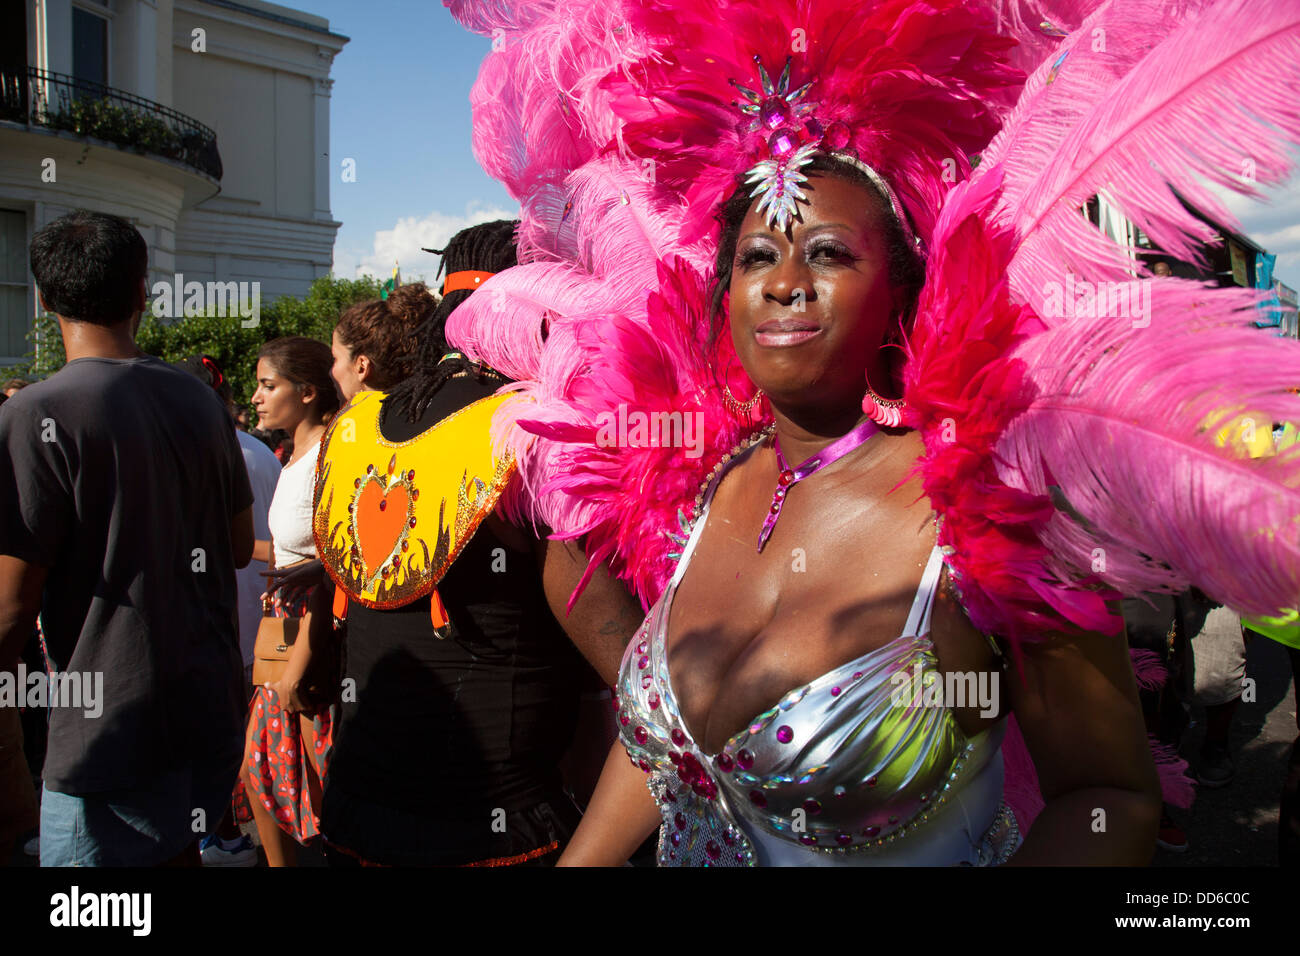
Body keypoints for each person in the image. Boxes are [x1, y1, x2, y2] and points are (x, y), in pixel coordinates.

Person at [444, 0, 1300, 865]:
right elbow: (673, 751)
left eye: (827, 253)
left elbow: (1108, 795)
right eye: (753, 257)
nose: (784, 283)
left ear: (900, 290)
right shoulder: (704, 491)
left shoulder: (988, 516)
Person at [268, 221, 642, 866]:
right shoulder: (531, 433)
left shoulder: (355, 428)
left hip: (356, 820)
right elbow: (643, 686)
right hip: (495, 835)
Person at [0, 209, 253, 866]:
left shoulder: (34, 412)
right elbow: (233, 547)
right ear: (143, 292)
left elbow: (10, 607)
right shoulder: (200, 402)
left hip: (107, 732)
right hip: (205, 709)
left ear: (45, 298)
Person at [172, 354, 280, 866]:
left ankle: (226, 834)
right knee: (260, 740)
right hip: (267, 624)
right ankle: (262, 830)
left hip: (216, 623)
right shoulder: (263, 452)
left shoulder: (185, 453)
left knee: (216, 739)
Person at [238, 335, 339, 866]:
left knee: (320, 776)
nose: (255, 396)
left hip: (311, 632)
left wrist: (301, 661)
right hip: (282, 627)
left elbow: (335, 566)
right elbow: (287, 549)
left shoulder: (330, 454)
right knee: (262, 769)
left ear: (306, 392)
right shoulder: (292, 452)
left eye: (267, 384)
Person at [330, 285, 423, 402]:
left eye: (335, 359)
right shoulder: (429, 411)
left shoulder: (355, 419)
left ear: (362, 366)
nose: (330, 372)